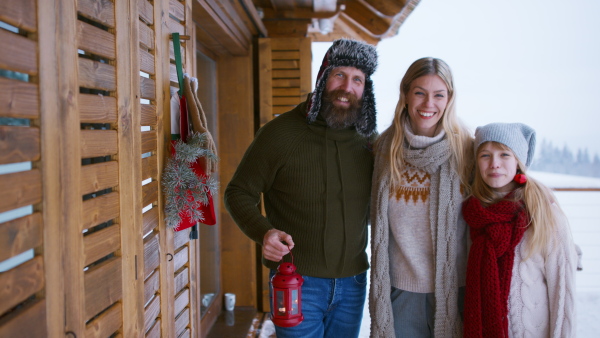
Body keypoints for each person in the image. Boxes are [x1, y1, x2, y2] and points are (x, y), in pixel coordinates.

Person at [224, 39, 378, 337]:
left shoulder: (370, 142)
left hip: (354, 283)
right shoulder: (281, 133)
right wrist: (264, 231)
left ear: (365, 89)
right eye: (339, 75)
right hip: (296, 282)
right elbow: (239, 192)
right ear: (323, 77)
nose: (347, 86)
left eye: (357, 79)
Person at [369, 57, 473, 338]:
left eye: (439, 94)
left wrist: (553, 236)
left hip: (457, 289)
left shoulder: (468, 150)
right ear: (405, 94)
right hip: (402, 294)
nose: (429, 104)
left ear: (449, 98)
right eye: (420, 93)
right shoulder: (382, 150)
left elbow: (509, 193)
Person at [462, 123, 578, 337]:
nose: (494, 164)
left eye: (504, 155)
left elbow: (561, 289)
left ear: (518, 162)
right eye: (485, 155)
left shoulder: (542, 211)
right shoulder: (472, 212)